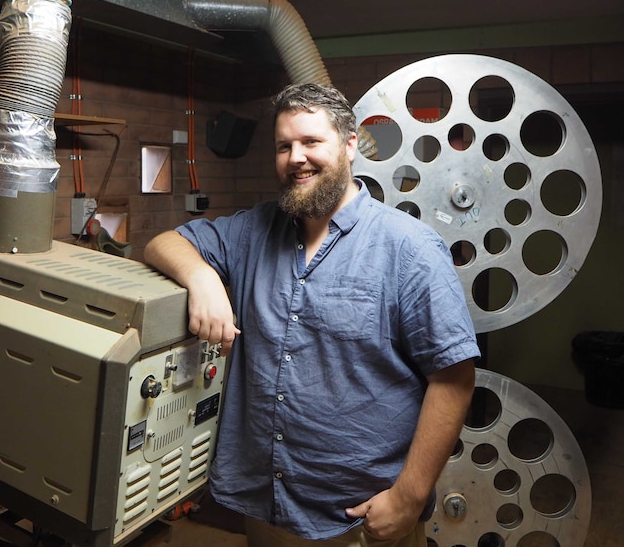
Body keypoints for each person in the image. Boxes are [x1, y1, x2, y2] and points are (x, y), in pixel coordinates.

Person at [144, 83, 479, 547]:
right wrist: (201, 278)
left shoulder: (410, 249)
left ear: (349, 145)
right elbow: (163, 242)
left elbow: (454, 379)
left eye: (311, 142)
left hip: (359, 517)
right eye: (284, 146)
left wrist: (407, 498)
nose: (295, 157)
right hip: (264, 505)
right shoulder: (252, 231)